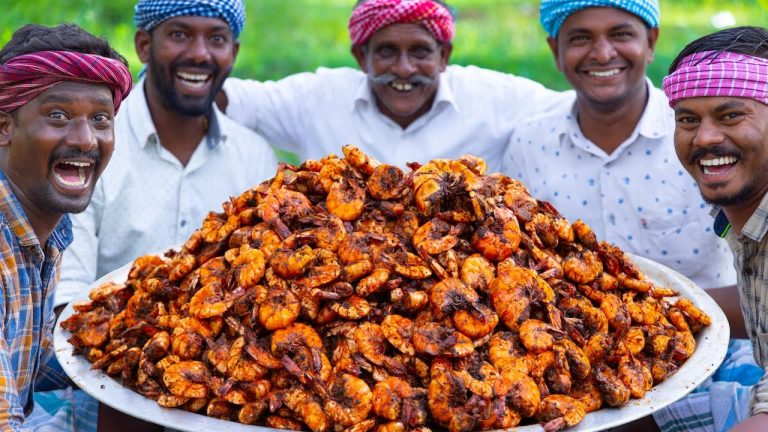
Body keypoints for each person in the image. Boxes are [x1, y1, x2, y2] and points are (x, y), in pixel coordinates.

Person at [502, 0, 736, 292]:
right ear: (556, 52)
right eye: (580, 38)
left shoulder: (704, 138)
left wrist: (672, 315)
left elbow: (756, 286)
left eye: (620, 34)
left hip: (718, 334)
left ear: (650, 42)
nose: (602, 54)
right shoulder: (530, 145)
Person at [56, 0, 278, 307]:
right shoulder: (91, 146)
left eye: (216, 39)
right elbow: (66, 295)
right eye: (180, 35)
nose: (200, 54)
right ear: (144, 46)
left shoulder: (254, 157)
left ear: (233, 53)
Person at [220, 0, 567, 171]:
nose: (403, 69)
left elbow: (575, 109)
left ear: (444, 55)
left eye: (420, 52)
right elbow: (233, 101)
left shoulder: (494, 98)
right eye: (386, 52)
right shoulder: (318, 97)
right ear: (361, 56)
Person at [0, 23, 132, 431]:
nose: (85, 139)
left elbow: (38, 366)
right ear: (4, 127)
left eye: (100, 119)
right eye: (58, 116)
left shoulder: (45, 233)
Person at [652, 26, 768, 432]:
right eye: (687, 119)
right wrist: (650, 310)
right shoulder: (747, 213)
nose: (705, 138)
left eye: (731, 115)